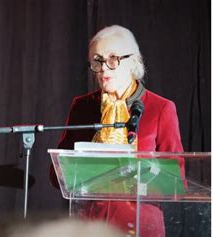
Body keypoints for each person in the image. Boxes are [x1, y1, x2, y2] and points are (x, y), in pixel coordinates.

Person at [50, 25, 185, 237]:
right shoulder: (82, 106)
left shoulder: (161, 108)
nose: (104, 68)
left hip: (140, 227)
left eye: (113, 58)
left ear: (133, 61)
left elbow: (176, 180)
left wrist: (134, 178)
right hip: (90, 227)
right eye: (97, 61)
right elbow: (56, 175)